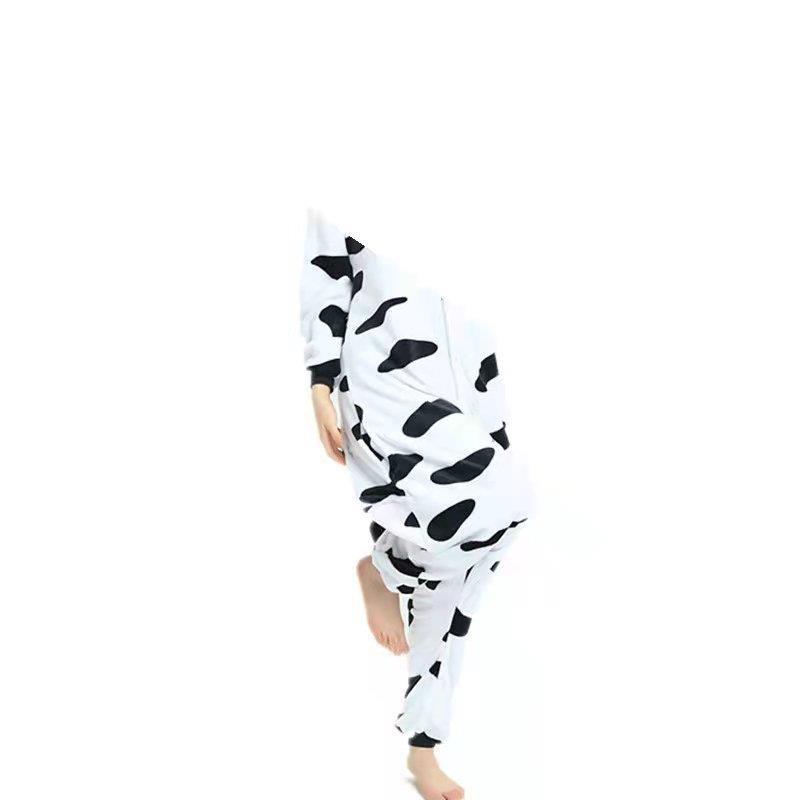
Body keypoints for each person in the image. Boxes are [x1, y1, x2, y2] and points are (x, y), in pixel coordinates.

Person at [300, 210, 532, 800]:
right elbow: (328, 265)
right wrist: (320, 380)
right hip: (386, 369)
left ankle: (423, 746)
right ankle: (387, 569)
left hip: (471, 370)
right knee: (497, 507)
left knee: (473, 559)